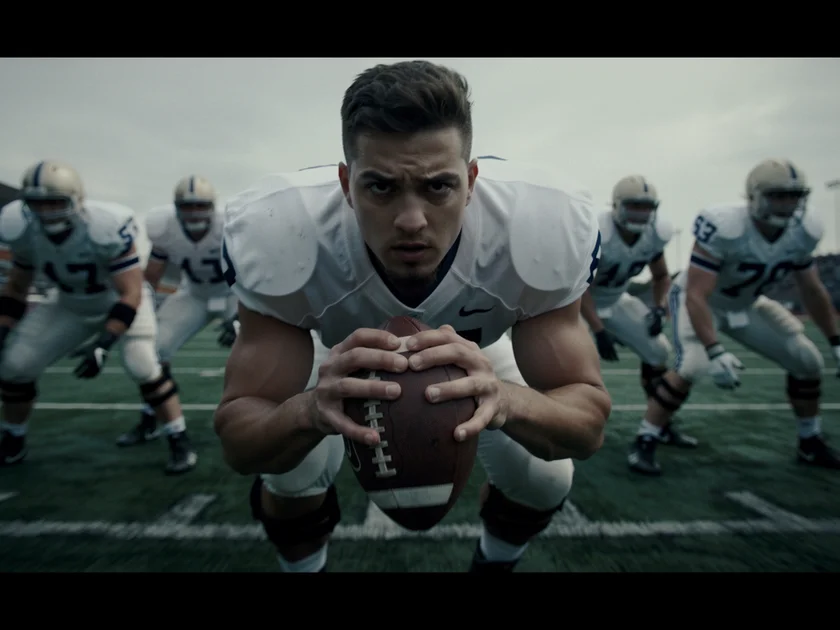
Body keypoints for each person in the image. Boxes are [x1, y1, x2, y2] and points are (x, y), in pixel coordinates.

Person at [214, 60, 611, 573]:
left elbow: (587, 426)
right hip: (329, 351)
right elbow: (241, 443)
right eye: (380, 187)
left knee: (547, 476)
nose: (411, 220)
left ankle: (493, 565)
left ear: (471, 181)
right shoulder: (279, 231)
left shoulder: (540, 224)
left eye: (438, 187)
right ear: (345, 183)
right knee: (290, 475)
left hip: (475, 351)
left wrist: (507, 399)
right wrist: (308, 411)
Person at [629, 158, 840, 476]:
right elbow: (698, 294)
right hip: (702, 301)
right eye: (778, 195)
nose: (787, 205)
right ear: (754, 195)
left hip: (748, 305)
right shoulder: (726, 226)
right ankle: (646, 437)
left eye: (793, 196)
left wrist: (836, 341)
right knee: (693, 365)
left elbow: (812, 290)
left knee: (808, 361)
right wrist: (715, 350)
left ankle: (809, 441)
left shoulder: (804, 231)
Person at [0, 160, 196, 474]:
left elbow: (130, 291)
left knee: (143, 365)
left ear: (76, 200)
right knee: (15, 366)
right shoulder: (20, 228)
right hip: (68, 303)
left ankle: (178, 437)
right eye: (37, 203)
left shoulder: (104, 226)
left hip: (120, 300)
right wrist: (3, 328)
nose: (46, 211)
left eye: (55, 202)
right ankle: (13, 438)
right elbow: (17, 286)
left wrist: (104, 342)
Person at [115, 175, 237, 449]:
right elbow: (150, 279)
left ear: (212, 207)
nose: (193, 213)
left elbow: (253, 270)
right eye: (187, 206)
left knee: (260, 349)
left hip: (233, 294)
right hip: (193, 294)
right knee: (154, 352)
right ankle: (150, 417)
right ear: (176, 208)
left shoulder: (231, 224)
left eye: (200, 206)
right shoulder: (164, 229)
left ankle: (258, 417)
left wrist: (242, 314)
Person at [581, 175, 696, 448]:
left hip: (616, 299)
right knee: (568, 362)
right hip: (574, 303)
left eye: (646, 207)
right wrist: (598, 330)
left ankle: (661, 423)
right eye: (634, 206)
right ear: (617, 206)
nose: (641, 213)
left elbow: (661, 276)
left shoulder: (654, 235)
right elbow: (580, 287)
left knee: (658, 352)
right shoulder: (595, 231)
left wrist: (659, 308)